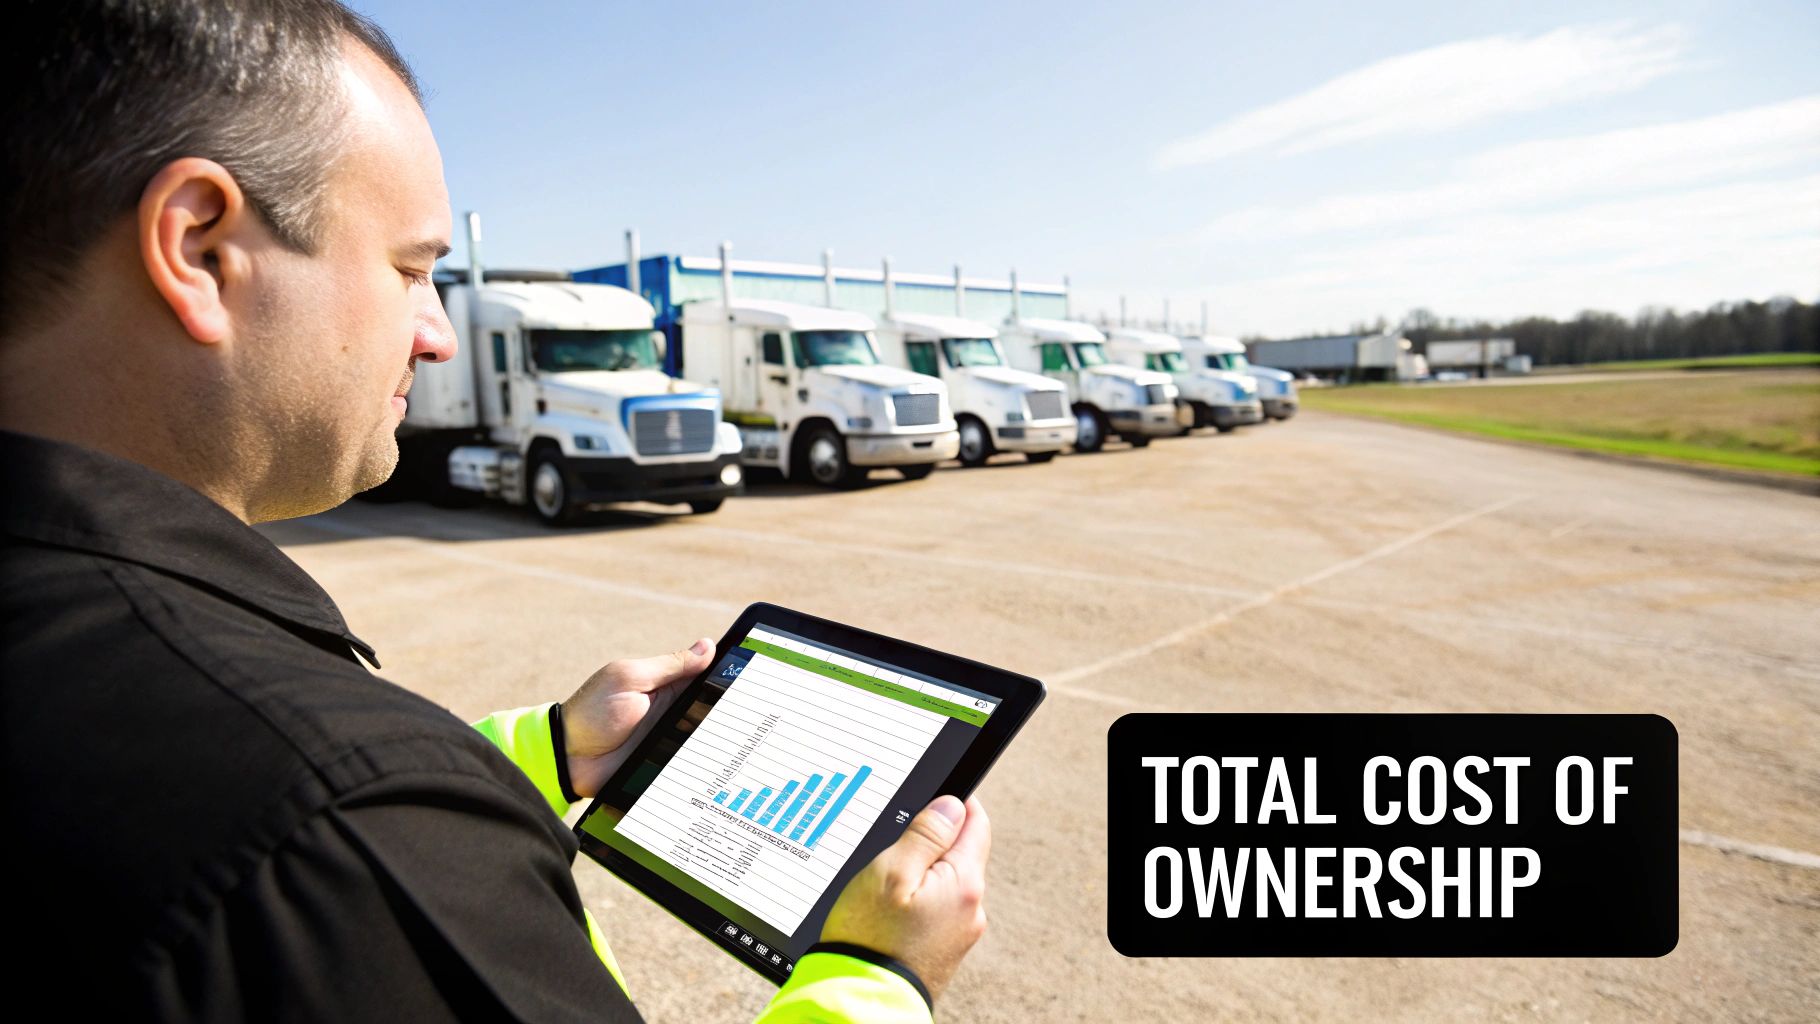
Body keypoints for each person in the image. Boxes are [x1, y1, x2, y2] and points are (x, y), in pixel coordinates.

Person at [0, 2, 989, 1020]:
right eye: (409, 269)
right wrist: (875, 974)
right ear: (200, 248)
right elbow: (328, 807)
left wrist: (544, 751)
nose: (437, 335)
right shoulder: (347, 833)